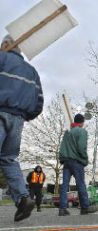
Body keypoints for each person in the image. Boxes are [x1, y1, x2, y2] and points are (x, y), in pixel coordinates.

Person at [0, 34, 43, 221]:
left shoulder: (1, 58)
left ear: (6, 44)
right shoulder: (31, 71)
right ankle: (23, 198)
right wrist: (25, 115)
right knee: (8, 159)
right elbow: (39, 102)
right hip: (18, 119)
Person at [58, 114, 97, 216]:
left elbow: (62, 147)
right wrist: (85, 159)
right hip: (76, 161)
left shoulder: (68, 132)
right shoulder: (82, 131)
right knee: (80, 184)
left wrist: (62, 159)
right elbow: (81, 147)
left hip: (66, 161)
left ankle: (62, 208)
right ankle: (85, 207)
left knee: (64, 185)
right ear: (82, 122)